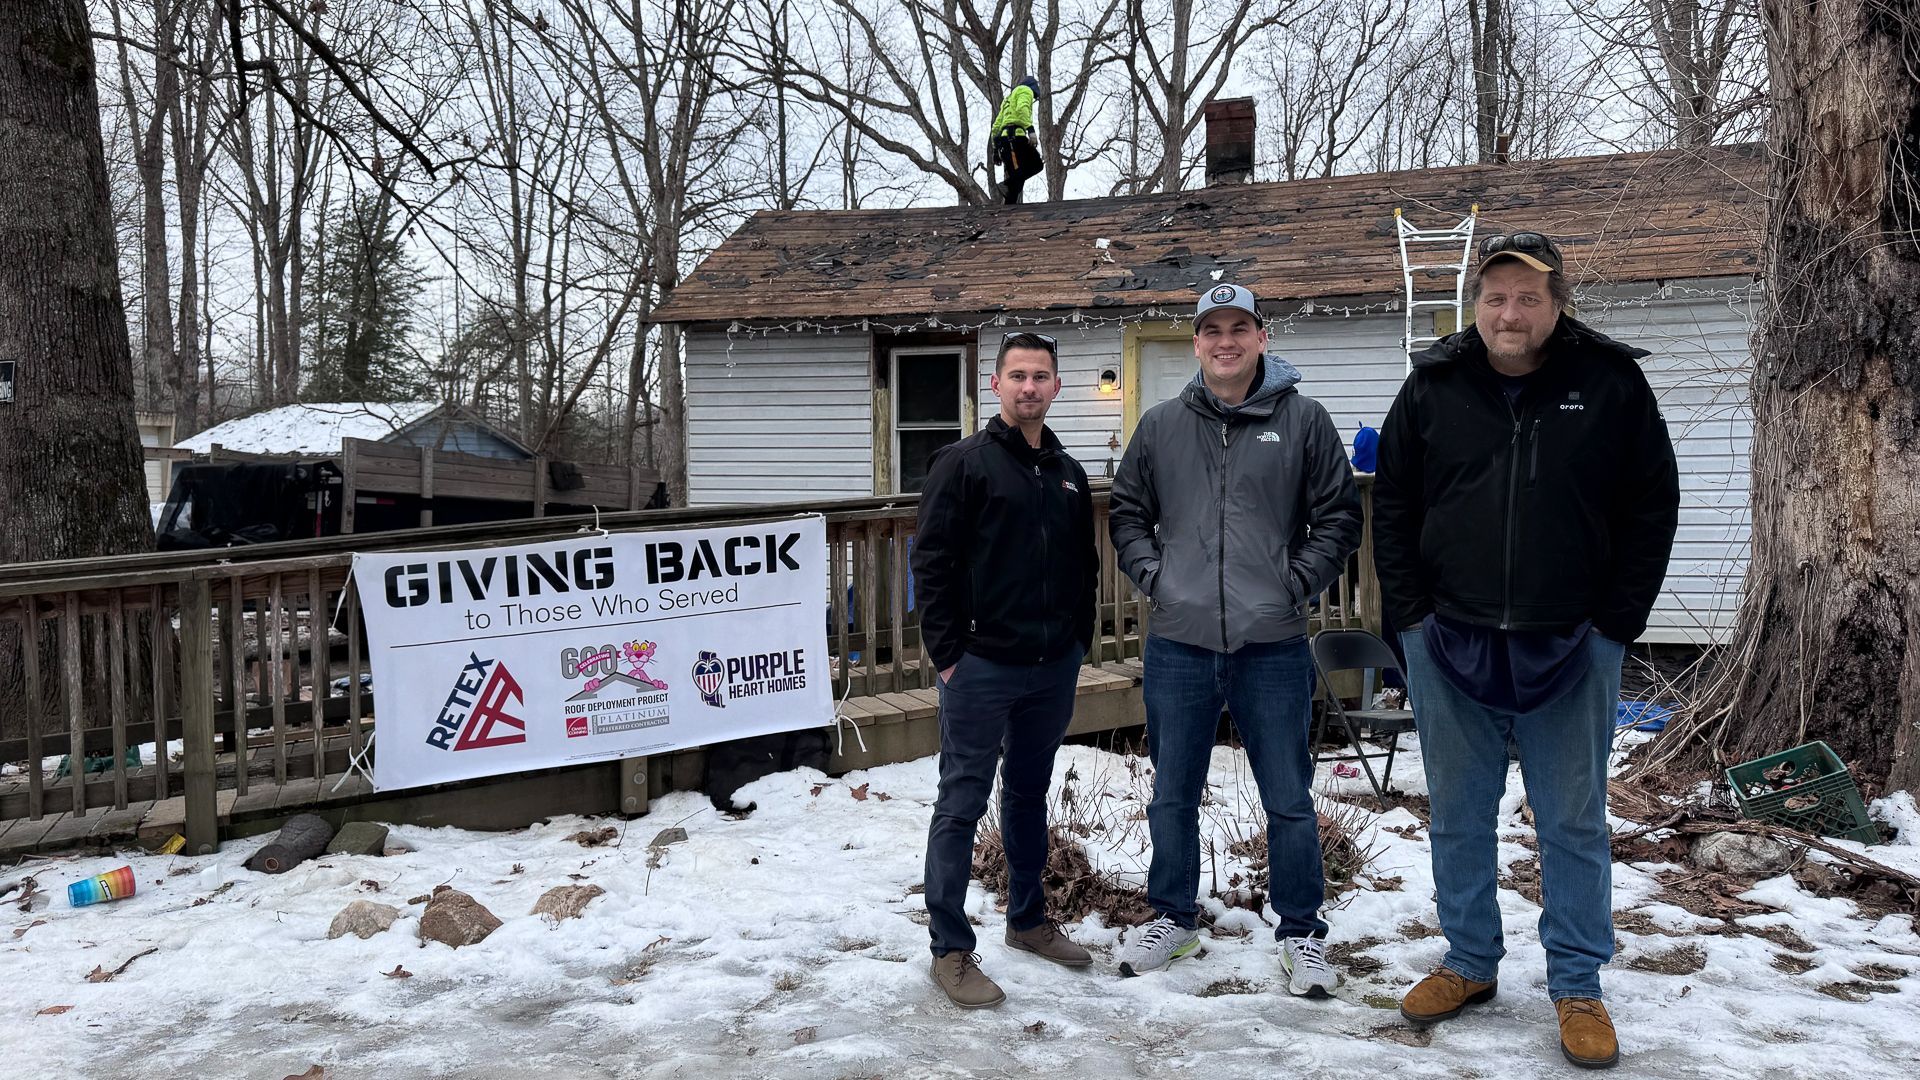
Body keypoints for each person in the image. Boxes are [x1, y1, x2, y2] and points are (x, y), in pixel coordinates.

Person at [1372, 231, 1678, 1070]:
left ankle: (1578, 983)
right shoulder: (1434, 384)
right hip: (1450, 641)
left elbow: (1653, 506)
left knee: (1573, 821)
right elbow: (1392, 505)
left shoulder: (1610, 383)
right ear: (1477, 303)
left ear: (1557, 304)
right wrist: (1411, 622)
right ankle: (1470, 962)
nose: (1511, 313)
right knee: (1460, 816)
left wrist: (1616, 623)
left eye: (1529, 298)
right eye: (1497, 296)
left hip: (1573, 642)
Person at [1108, 284, 1362, 995]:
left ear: (1261, 337)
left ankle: (1303, 933)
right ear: (1196, 343)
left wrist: (1292, 582)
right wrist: (1158, 580)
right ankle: (1172, 917)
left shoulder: (1305, 420)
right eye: (1212, 329)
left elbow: (1340, 517)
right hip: (1180, 641)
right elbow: (1127, 512)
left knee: (1289, 796)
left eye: (1239, 328)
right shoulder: (1161, 425)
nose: (1225, 341)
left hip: (1273, 643)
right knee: (1173, 794)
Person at [911, 331, 1099, 1008]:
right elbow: (930, 561)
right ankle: (951, 949)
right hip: (982, 666)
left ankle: (1027, 921)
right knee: (960, 802)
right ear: (995, 385)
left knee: (1026, 796)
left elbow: (1085, 565)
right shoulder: (963, 464)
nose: (1029, 387)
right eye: (1017, 375)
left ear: (1056, 386)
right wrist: (949, 655)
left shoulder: (1069, 472)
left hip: (1051, 667)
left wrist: (1077, 639)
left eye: (1041, 376)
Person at [989, 76, 1044, 205]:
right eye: (1035, 96)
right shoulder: (1025, 90)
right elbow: (1022, 108)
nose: (1033, 98)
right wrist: (1030, 130)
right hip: (1015, 139)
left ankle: (1008, 214)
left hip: (1004, 142)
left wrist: (995, 150)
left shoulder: (1007, 100)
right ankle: (1006, 184)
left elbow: (996, 126)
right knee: (1036, 164)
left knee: (1015, 183)